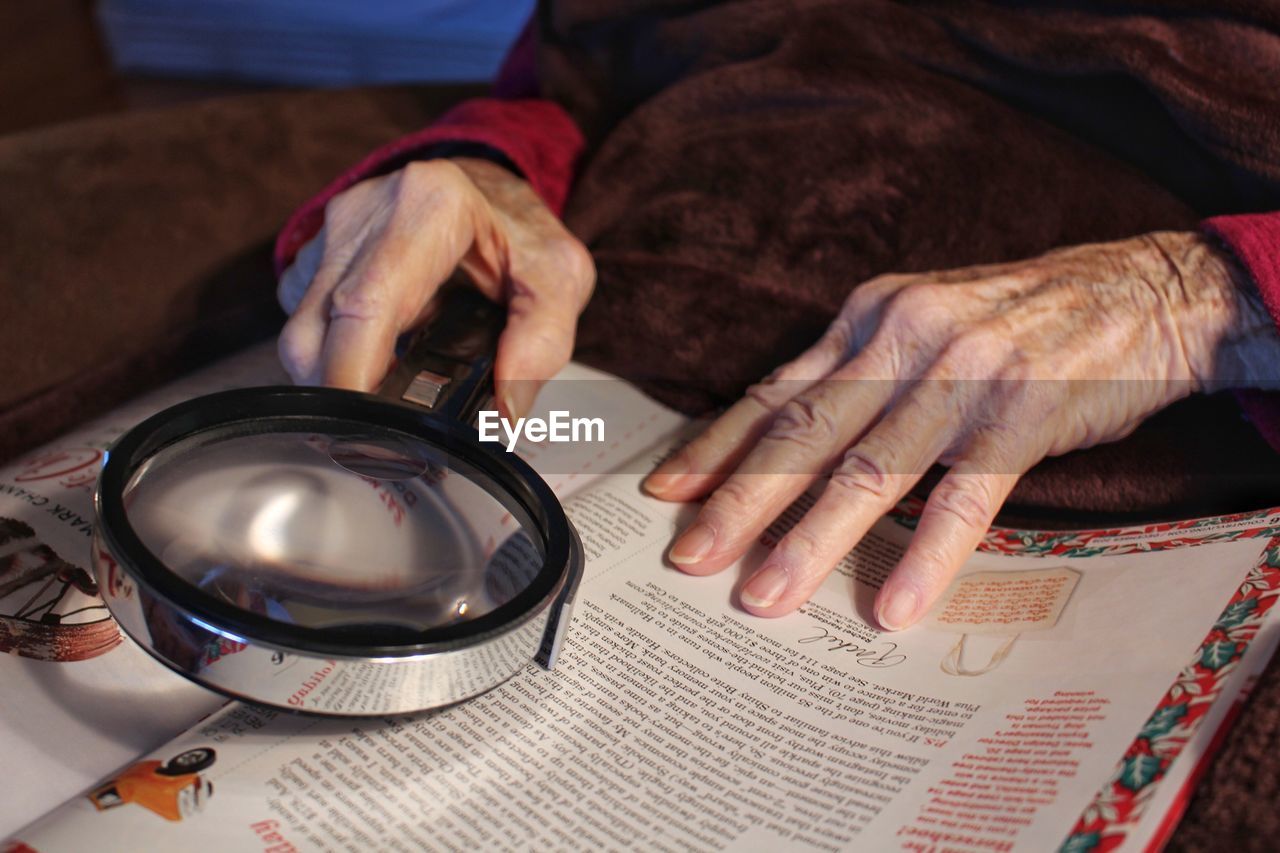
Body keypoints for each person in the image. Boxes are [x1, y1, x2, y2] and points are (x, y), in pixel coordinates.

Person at [273, 1, 1280, 633]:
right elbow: (575, 74)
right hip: (579, 344)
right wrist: (489, 169)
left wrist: (1194, 299)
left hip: (1133, 436)